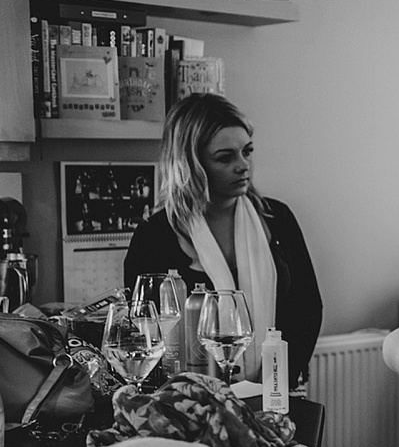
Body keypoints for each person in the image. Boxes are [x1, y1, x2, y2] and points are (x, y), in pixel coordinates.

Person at [124, 93, 322, 383]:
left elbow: (307, 310)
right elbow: (143, 329)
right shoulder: (155, 235)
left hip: (279, 390)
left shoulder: (278, 219)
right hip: (189, 398)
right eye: (225, 158)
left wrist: (274, 382)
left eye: (247, 151)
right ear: (191, 164)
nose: (243, 165)